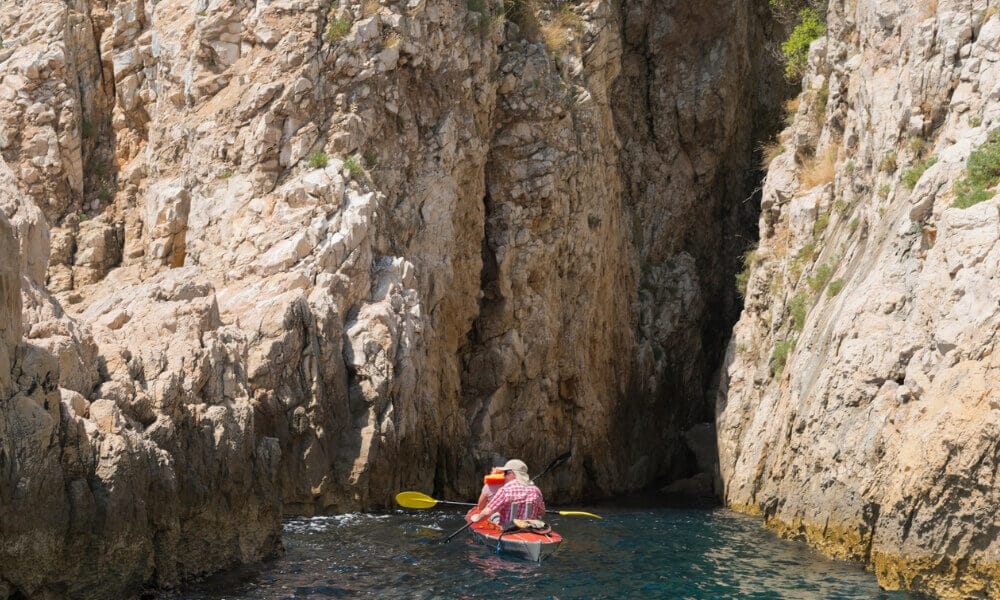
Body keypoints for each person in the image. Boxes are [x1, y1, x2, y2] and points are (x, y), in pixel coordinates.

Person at [468, 459, 545, 529]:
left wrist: (477, 517)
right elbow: (541, 512)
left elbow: (487, 512)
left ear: (512, 473)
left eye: (505, 473)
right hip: (530, 530)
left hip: (507, 530)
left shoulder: (505, 490)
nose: (504, 476)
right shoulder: (536, 490)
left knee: (494, 516)